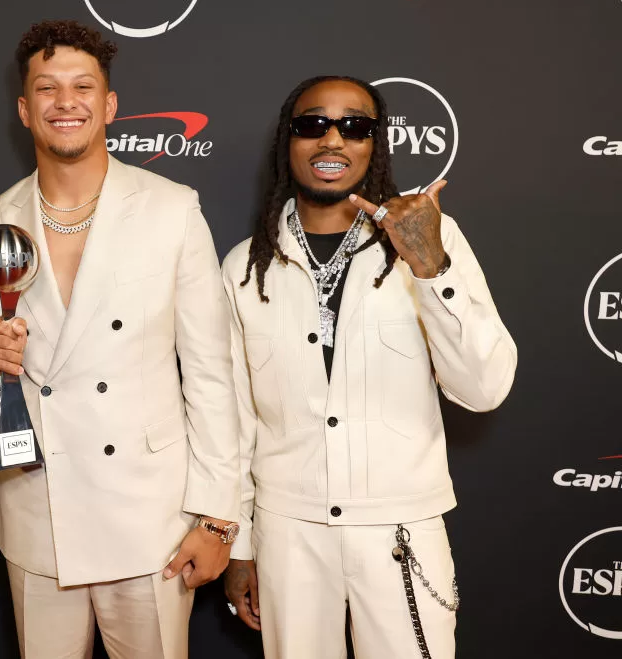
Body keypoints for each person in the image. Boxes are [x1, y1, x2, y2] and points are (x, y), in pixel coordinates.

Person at [0, 20, 241, 659]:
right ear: (25, 109)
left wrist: (218, 517)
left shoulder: (172, 208)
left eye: (83, 86)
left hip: (150, 522)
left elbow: (212, 374)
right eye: (47, 89)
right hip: (38, 512)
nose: (66, 102)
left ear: (108, 104)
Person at [221, 76, 517, 658]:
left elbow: (485, 389)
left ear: (375, 144)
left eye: (354, 126)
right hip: (288, 531)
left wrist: (431, 265)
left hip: (399, 527)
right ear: (288, 139)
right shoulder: (244, 267)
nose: (333, 140)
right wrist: (241, 545)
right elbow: (233, 422)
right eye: (313, 124)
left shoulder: (433, 239)